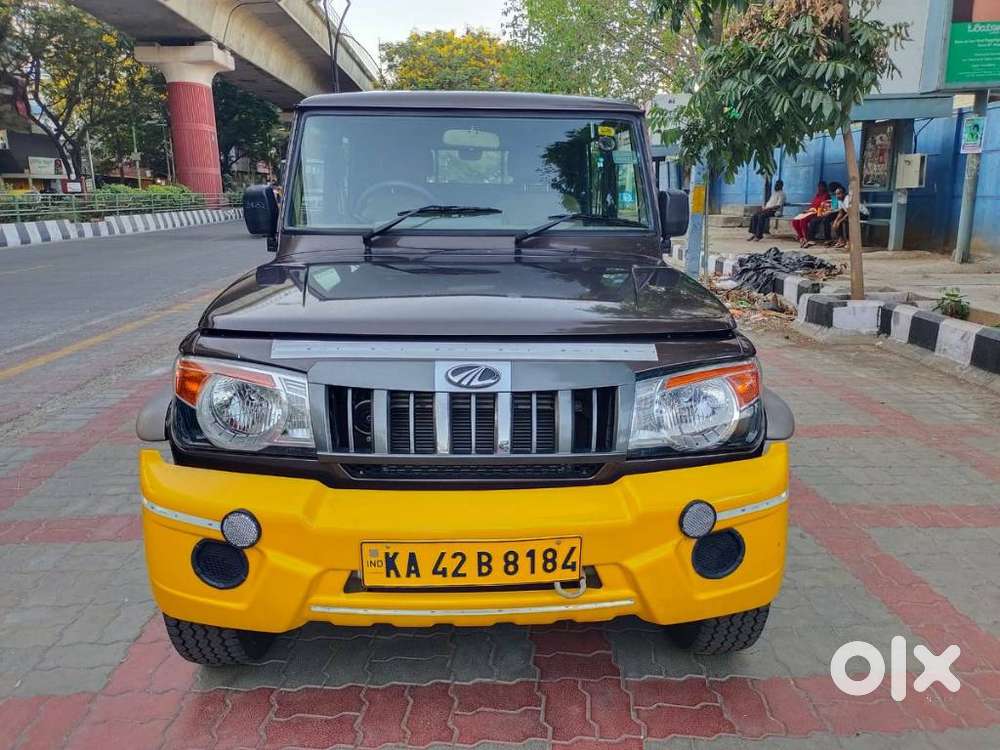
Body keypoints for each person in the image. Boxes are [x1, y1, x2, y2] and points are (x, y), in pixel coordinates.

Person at [791, 181, 829, 248]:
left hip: (817, 213)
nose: (820, 188)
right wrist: (808, 210)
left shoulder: (826, 195)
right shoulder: (817, 195)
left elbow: (823, 206)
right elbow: (813, 204)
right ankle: (801, 238)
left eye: (821, 186)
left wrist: (814, 210)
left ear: (824, 187)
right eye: (819, 186)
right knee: (795, 220)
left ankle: (807, 238)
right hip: (811, 211)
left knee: (803, 220)